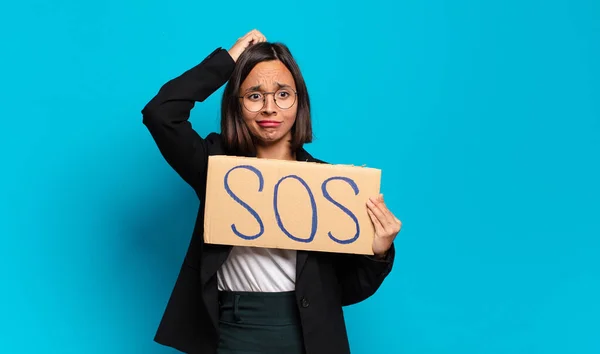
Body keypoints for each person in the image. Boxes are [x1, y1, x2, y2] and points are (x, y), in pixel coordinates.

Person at [141, 29, 402, 354]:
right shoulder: (215, 166)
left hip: (306, 333)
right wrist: (227, 61)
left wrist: (375, 253)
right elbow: (160, 113)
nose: (269, 108)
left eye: (282, 94)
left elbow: (343, 292)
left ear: (299, 102)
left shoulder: (326, 184)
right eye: (254, 96)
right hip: (232, 329)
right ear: (237, 104)